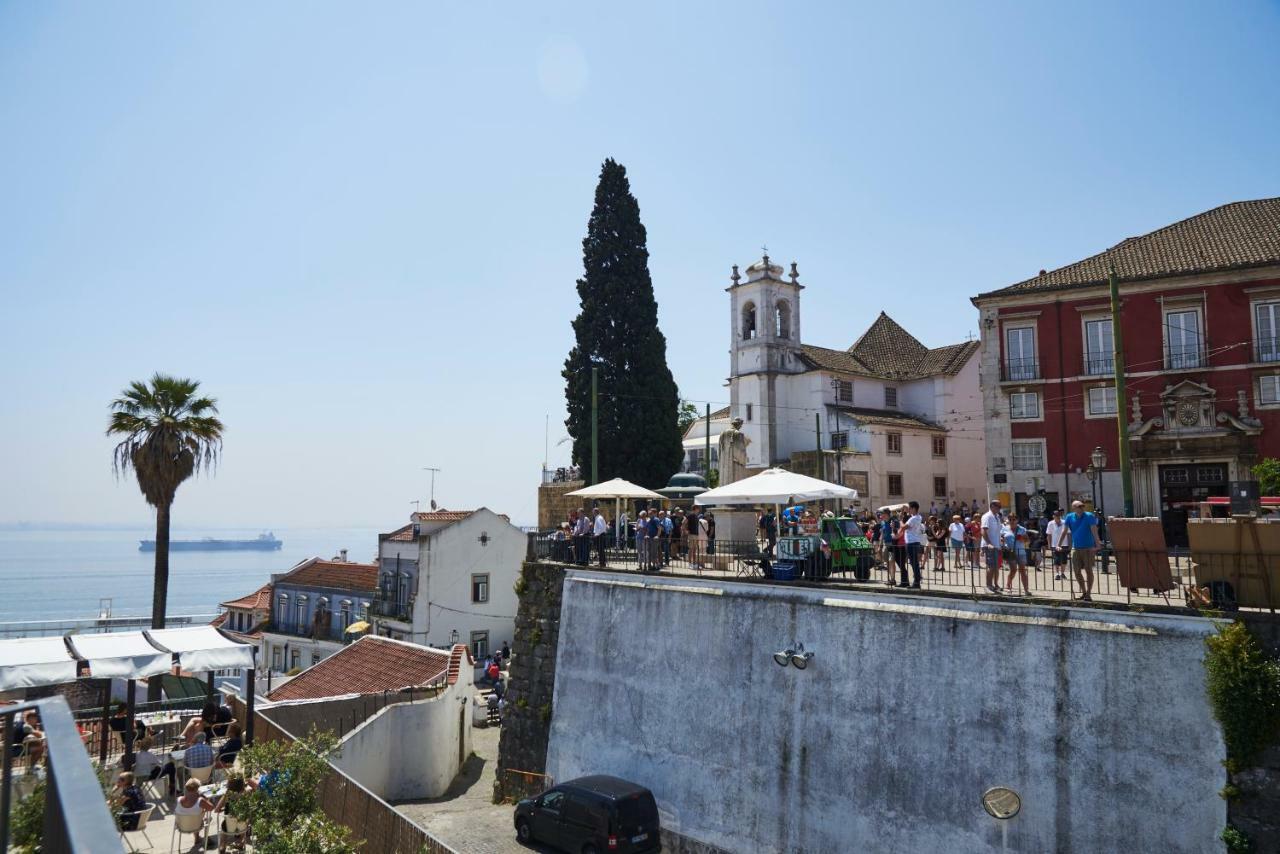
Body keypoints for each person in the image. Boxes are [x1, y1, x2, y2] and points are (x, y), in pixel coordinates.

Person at [1060, 500, 1100, 601]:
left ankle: (1089, 593)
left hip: (1088, 547)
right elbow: (1064, 531)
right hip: (1076, 547)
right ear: (1074, 508)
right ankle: (1084, 592)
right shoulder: (1069, 517)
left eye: (1082, 506)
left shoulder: (1089, 516)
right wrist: (1058, 545)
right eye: (1079, 506)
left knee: (1088, 570)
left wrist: (1098, 545)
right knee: (1076, 571)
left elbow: (1094, 530)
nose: (1082, 507)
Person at [215, 773, 249, 852]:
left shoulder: (227, 795)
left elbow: (216, 810)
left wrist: (223, 809)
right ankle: (241, 843)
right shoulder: (246, 793)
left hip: (229, 825)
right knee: (243, 820)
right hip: (242, 825)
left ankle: (222, 847)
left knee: (224, 828)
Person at [1002, 514, 1031, 595]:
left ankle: (1026, 590)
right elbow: (1001, 539)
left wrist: (1022, 539)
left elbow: (1028, 541)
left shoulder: (1022, 529)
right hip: (1010, 552)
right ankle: (1008, 586)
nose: (1012, 521)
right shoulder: (1004, 529)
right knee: (1013, 570)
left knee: (1022, 571)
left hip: (1021, 552)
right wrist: (1002, 544)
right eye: (1010, 519)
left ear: (1017, 520)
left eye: (1014, 519)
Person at [981, 500, 1004, 594]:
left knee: (995, 567)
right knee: (991, 566)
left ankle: (994, 585)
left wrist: (1000, 543)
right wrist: (989, 543)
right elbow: (983, 531)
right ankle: (988, 586)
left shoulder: (997, 517)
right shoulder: (987, 516)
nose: (999, 508)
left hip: (996, 545)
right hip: (989, 545)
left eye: (1000, 506)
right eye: (998, 506)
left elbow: (998, 532)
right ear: (992, 506)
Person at [901, 502, 925, 588]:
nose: (909, 510)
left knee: (913, 563)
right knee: (914, 562)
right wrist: (904, 512)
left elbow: (903, 527)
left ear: (914, 509)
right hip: (915, 541)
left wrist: (900, 520)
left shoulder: (913, 519)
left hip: (911, 542)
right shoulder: (918, 517)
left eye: (910, 508)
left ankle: (916, 582)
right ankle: (917, 581)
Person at [1044, 509, 1068, 582]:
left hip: (1064, 543)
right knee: (1056, 559)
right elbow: (1049, 534)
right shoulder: (1050, 523)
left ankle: (1062, 573)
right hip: (1054, 544)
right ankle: (1057, 573)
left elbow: (1069, 533)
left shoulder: (1064, 522)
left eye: (1059, 515)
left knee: (1064, 559)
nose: (1058, 516)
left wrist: (1070, 544)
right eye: (1056, 515)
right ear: (1053, 516)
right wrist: (1049, 544)